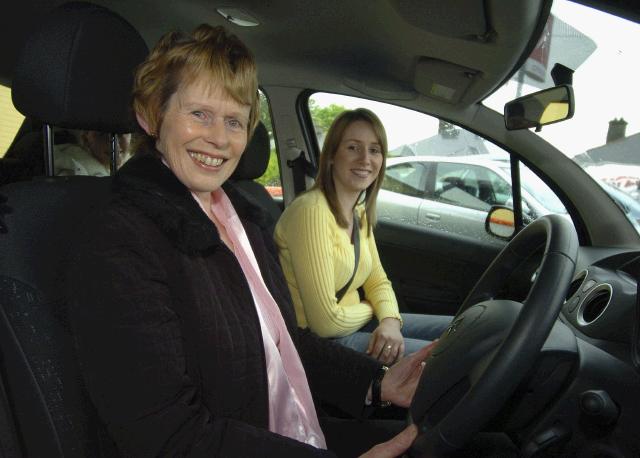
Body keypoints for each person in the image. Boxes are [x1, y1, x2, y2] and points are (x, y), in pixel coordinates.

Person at [67, 24, 436, 457]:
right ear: (152, 116)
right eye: (199, 114)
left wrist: (376, 382)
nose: (220, 139)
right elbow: (165, 434)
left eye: (234, 121)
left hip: (287, 429)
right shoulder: (120, 241)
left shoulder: (239, 219)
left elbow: (284, 346)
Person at [274, 108, 453, 365]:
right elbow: (325, 323)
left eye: (374, 150)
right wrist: (374, 309)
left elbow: (378, 280)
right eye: (353, 148)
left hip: (351, 323)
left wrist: (390, 321)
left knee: (463, 331)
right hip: (318, 343)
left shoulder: (359, 213)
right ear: (332, 156)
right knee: (444, 360)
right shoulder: (311, 212)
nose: (365, 159)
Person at [54, 129, 131, 176]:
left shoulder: (134, 166)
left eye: (121, 133)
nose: (115, 144)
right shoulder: (74, 168)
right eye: (102, 134)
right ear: (86, 139)